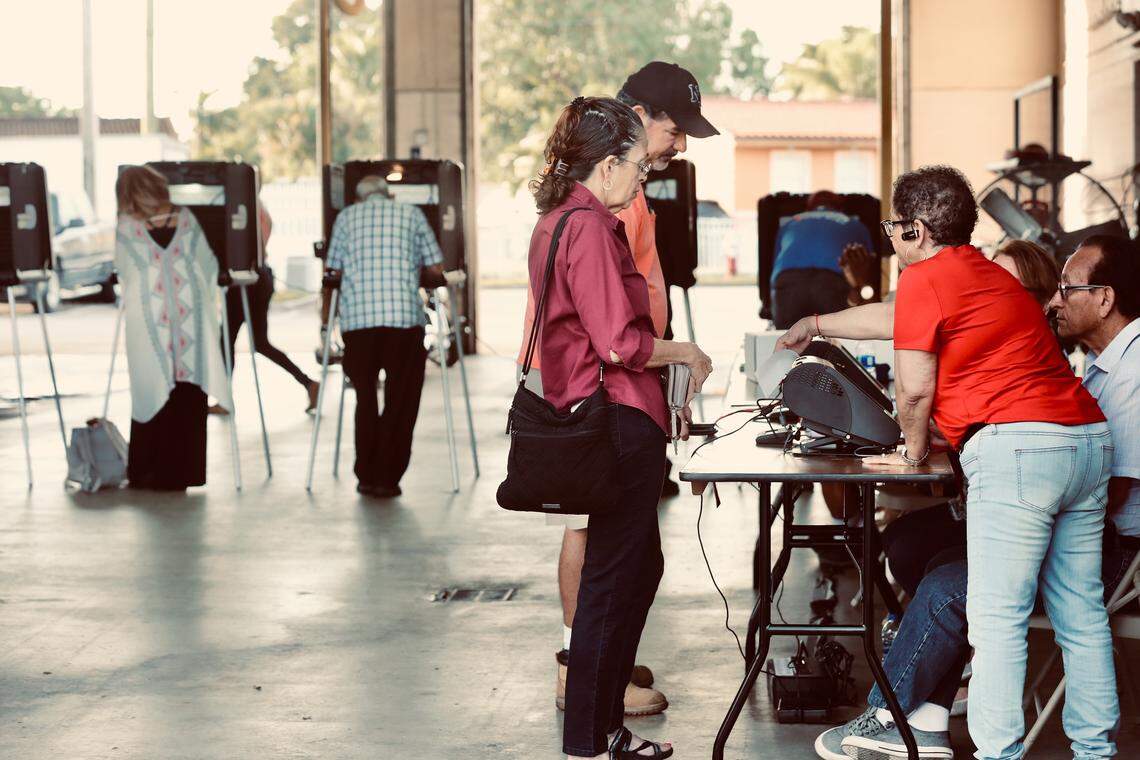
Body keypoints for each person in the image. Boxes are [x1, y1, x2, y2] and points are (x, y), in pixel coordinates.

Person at [778, 165, 1115, 760]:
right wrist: (819, 323)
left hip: (1019, 451)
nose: (890, 240)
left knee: (996, 618)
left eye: (892, 228)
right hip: (1084, 441)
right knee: (1081, 615)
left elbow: (913, 391)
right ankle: (1094, 751)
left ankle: (998, 753)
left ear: (914, 230)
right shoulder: (984, 275)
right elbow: (894, 318)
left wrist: (908, 451)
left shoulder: (928, 277)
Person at [514, 61, 720, 718]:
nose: (680, 144)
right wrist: (674, 356)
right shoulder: (599, 205)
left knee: (626, 555)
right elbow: (608, 329)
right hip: (598, 399)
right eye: (676, 128)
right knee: (598, 547)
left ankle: (597, 680)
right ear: (638, 123)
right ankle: (581, 679)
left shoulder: (604, 196)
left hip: (619, 391)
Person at [321, 175, 452, 498]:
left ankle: (366, 475)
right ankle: (389, 477)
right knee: (401, 400)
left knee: (365, 398)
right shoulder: (411, 214)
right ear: (389, 195)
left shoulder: (346, 218)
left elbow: (332, 271)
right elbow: (436, 267)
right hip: (403, 321)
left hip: (358, 324)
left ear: (358, 198)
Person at [114, 165, 232, 491]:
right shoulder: (186, 220)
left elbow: (124, 268)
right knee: (188, 392)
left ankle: (147, 472)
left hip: (148, 321)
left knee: (149, 384)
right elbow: (208, 264)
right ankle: (183, 472)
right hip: (191, 318)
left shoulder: (127, 226)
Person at [220, 202, 320, 414]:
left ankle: (308, 383)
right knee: (252, 342)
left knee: (229, 341)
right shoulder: (257, 208)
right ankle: (308, 383)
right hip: (258, 277)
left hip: (248, 281)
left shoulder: (245, 206)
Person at [769, 190, 875, 329]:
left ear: (808, 208)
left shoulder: (790, 223)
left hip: (788, 282)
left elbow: (775, 263)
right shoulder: (854, 223)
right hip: (831, 282)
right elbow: (868, 263)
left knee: (787, 339)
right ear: (840, 208)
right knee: (836, 337)